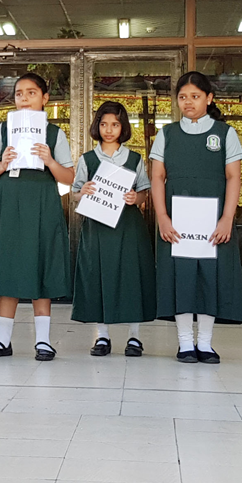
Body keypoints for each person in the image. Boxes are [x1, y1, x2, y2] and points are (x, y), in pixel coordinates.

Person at [0, 73, 75, 361]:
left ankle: (43, 341)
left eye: (31, 93)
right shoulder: (4, 129)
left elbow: (69, 177)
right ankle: (2, 341)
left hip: (42, 201)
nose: (24, 98)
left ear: (45, 98)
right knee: (8, 263)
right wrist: (3, 164)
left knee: (40, 263)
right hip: (9, 199)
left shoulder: (55, 133)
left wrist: (49, 160)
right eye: (19, 93)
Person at [150, 71, 242, 364]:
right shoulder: (166, 134)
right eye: (182, 97)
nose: (188, 102)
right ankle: (184, 343)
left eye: (195, 96)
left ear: (209, 98)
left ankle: (204, 343)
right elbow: (157, 177)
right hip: (176, 221)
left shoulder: (225, 133)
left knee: (209, 276)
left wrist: (227, 218)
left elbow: (233, 177)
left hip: (214, 220)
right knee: (180, 276)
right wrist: (162, 216)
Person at [72, 101, 155, 357]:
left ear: (123, 127)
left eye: (115, 124)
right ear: (97, 126)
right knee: (98, 276)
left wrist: (135, 198)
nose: (109, 130)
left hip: (128, 226)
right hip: (97, 227)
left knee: (131, 277)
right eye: (104, 124)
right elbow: (74, 193)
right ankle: (102, 336)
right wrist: (83, 192)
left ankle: (134, 337)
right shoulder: (87, 159)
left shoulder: (134, 159)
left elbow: (144, 192)